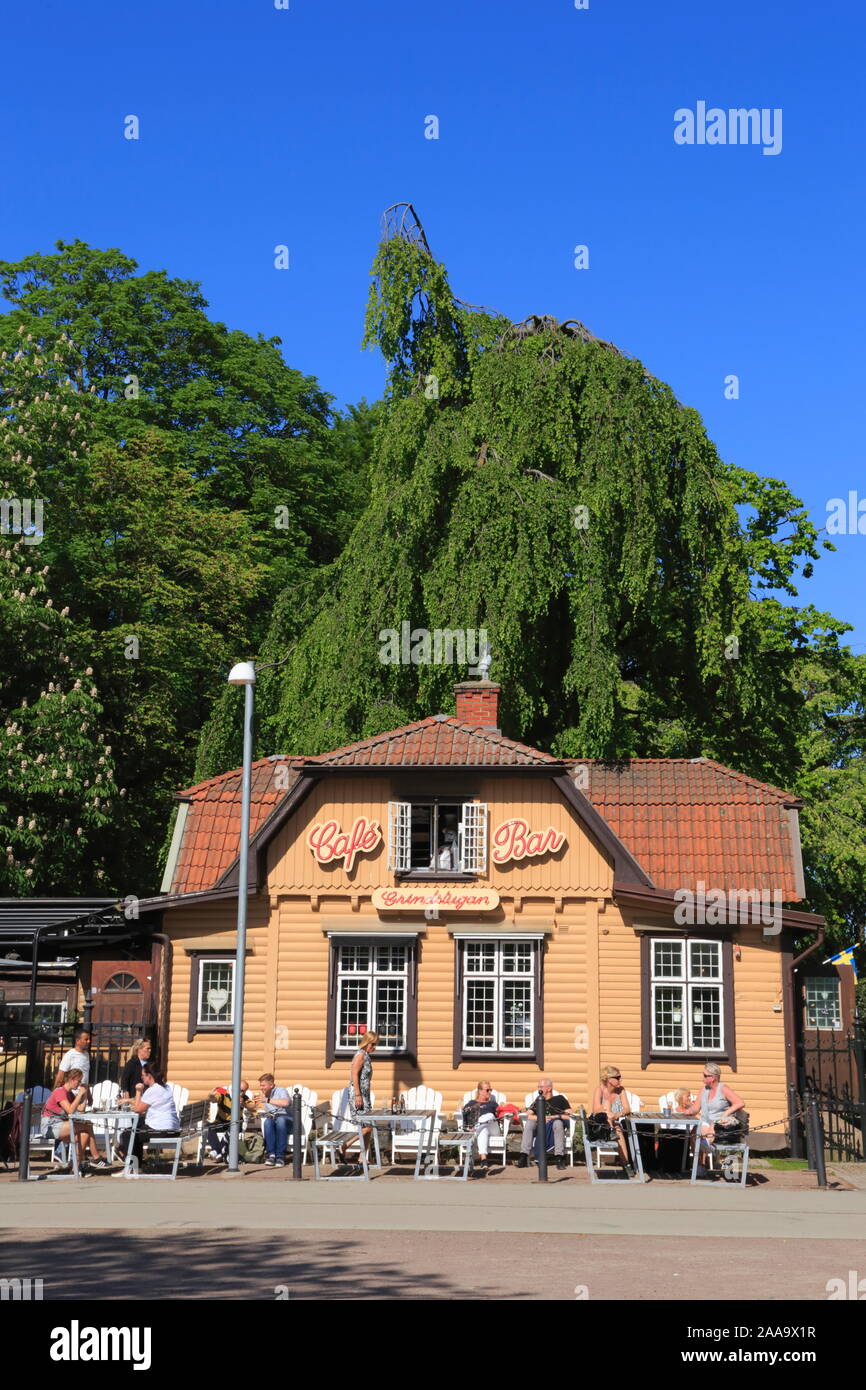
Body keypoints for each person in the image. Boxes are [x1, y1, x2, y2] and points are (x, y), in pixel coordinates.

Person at [41, 1068, 110, 1172]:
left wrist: (85, 1093)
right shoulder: (60, 1092)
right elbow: (70, 1110)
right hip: (51, 1126)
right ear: (72, 1079)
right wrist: (79, 1094)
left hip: (61, 1124)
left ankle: (75, 1166)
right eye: (79, 1081)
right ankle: (96, 1158)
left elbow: (81, 1109)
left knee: (85, 1135)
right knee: (88, 1124)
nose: (79, 1084)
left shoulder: (69, 1094)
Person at [685, 1063, 745, 1178]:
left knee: (706, 1129)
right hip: (706, 1123)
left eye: (705, 1075)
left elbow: (740, 1103)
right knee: (694, 1133)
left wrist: (725, 1114)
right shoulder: (703, 1090)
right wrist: (687, 1110)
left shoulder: (723, 1088)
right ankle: (701, 1163)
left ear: (712, 1078)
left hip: (720, 1124)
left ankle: (707, 1146)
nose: (702, 1077)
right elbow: (696, 1108)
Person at [124, 1064, 180, 1169]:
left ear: (149, 1076)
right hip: (173, 1129)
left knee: (128, 1134)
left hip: (162, 1130)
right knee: (137, 1128)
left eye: (143, 1075)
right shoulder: (166, 1087)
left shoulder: (152, 1090)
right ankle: (138, 1165)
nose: (142, 1077)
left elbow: (137, 1109)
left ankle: (133, 1167)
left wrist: (138, 1091)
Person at [339, 1030, 379, 1165]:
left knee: (368, 1126)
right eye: (372, 1044)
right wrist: (357, 1094)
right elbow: (354, 1074)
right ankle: (346, 1145)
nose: (375, 1047)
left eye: (376, 1044)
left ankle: (363, 1157)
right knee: (368, 1126)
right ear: (366, 1043)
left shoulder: (366, 1055)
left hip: (365, 1095)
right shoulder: (360, 1055)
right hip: (358, 1095)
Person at [590, 1064, 635, 1177]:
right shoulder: (599, 1089)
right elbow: (595, 1110)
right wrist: (608, 1113)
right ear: (609, 1079)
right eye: (617, 1077)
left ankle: (626, 1165)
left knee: (618, 1130)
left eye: (620, 1077)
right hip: (599, 1126)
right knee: (606, 1104)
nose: (620, 1079)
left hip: (615, 1126)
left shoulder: (621, 1090)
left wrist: (616, 1115)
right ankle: (626, 1165)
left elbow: (627, 1108)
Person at [518, 1078, 573, 1171]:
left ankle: (559, 1157)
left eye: (541, 1087)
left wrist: (554, 1117)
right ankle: (523, 1155)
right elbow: (528, 1115)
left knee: (558, 1123)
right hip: (540, 1125)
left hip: (554, 1124)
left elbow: (569, 1115)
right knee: (529, 1124)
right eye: (538, 1086)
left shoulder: (560, 1099)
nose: (538, 1089)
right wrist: (541, 1118)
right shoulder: (538, 1100)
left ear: (549, 1088)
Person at [255, 1074, 293, 1167]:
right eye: (260, 1085)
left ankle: (280, 1156)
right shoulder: (265, 1095)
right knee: (268, 1121)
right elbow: (270, 1111)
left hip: (288, 1121)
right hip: (275, 1119)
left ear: (271, 1085)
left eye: (263, 1085)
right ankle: (271, 1155)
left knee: (280, 1120)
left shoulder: (281, 1090)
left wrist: (267, 1100)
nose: (261, 1088)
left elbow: (286, 1102)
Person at [461, 1081, 501, 1167]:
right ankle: (484, 1160)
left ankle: (475, 1133)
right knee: (483, 1130)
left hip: (494, 1129)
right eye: (487, 1090)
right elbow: (464, 1116)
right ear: (480, 1091)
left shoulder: (493, 1104)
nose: (490, 1092)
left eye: (491, 1090)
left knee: (489, 1115)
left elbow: (499, 1116)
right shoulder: (471, 1103)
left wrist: (502, 1108)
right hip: (483, 1129)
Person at [54, 1026, 92, 1092]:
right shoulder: (70, 1055)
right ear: (77, 1041)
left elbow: (85, 1077)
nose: (89, 1041)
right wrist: (54, 1095)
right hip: (71, 1096)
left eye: (89, 1039)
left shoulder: (86, 1055)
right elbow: (60, 1077)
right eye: (86, 1039)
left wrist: (89, 1095)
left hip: (82, 1096)